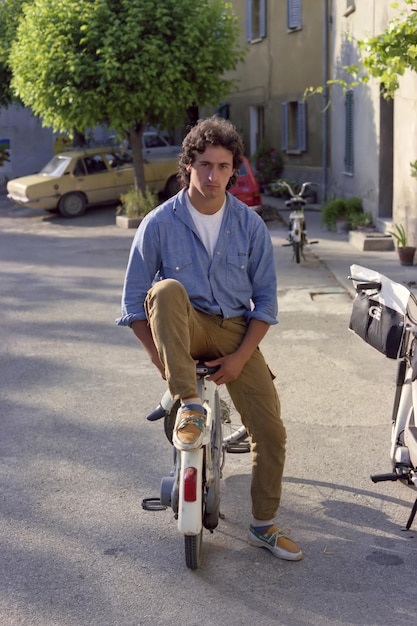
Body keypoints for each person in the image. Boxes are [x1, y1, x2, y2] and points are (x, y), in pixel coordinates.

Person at [117, 116, 302, 562]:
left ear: (233, 170)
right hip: (184, 324)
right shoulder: (159, 223)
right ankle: (190, 404)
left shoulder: (249, 225)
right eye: (204, 165)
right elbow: (132, 304)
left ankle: (262, 526)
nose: (212, 175)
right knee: (164, 290)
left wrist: (240, 358)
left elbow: (266, 305)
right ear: (188, 165)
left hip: (237, 330)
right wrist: (163, 363)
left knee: (271, 432)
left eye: (222, 166)